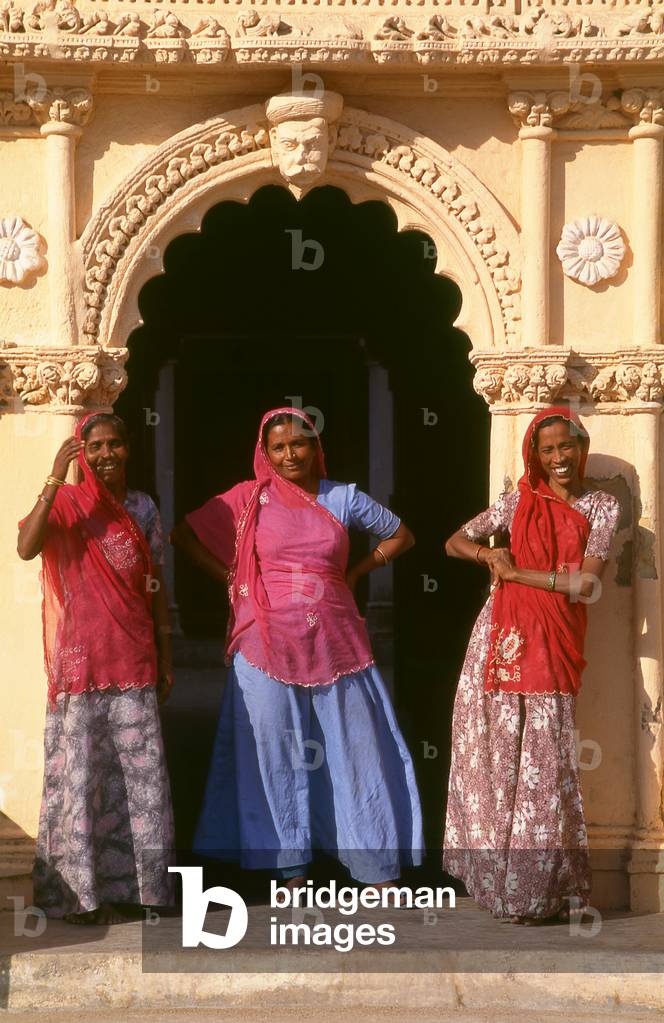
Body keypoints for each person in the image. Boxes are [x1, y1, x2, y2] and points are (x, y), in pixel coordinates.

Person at [171, 406, 423, 888]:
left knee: (355, 749)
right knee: (273, 751)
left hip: (336, 639)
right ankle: (290, 869)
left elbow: (401, 535)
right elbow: (183, 534)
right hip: (263, 643)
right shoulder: (247, 500)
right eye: (279, 447)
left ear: (315, 447)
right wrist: (231, 577)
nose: (290, 455)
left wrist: (355, 571)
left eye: (299, 444)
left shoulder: (342, 498)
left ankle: (372, 866)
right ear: (264, 454)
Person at [442, 407, 620, 923]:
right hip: (500, 639)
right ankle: (500, 887)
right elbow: (454, 541)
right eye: (548, 450)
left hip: (554, 644)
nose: (559, 458)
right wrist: (488, 558)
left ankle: (538, 891)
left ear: (580, 447)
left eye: (567, 446)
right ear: (535, 456)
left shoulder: (602, 507)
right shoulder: (519, 501)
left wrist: (518, 572)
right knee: (497, 758)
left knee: (544, 763)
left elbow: (585, 585)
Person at [17, 413, 175, 924]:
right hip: (80, 664)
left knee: (141, 778)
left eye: (115, 444)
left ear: (128, 449)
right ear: (81, 451)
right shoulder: (66, 503)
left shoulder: (142, 508)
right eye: (96, 446)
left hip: (133, 656)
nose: (106, 454)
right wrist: (52, 479)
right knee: (82, 778)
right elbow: (26, 547)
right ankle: (81, 895)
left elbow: (156, 584)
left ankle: (145, 890)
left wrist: (166, 657)